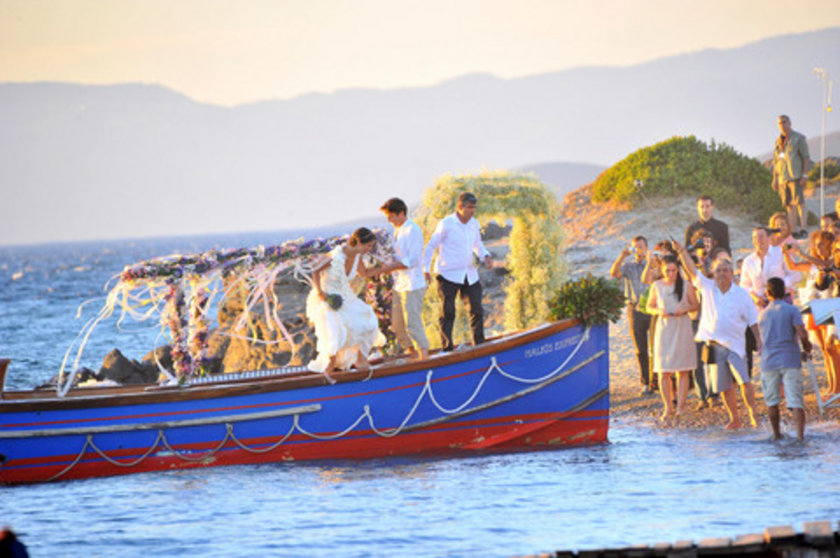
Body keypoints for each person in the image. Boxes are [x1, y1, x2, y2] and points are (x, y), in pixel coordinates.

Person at [677, 242, 762, 429]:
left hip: (735, 345)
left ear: (732, 274)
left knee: (744, 381)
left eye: (725, 270)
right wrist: (682, 251)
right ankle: (734, 418)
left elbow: (753, 320)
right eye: (718, 271)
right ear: (713, 273)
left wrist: (759, 341)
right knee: (724, 386)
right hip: (713, 345)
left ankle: (753, 415)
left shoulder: (741, 294)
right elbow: (692, 270)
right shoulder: (707, 287)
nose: (722, 274)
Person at [306, 227, 384, 379]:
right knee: (336, 327)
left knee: (368, 318)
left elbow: (364, 273)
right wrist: (321, 292)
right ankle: (330, 364)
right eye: (368, 245)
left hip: (346, 295)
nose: (369, 249)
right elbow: (315, 270)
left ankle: (361, 360)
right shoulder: (336, 255)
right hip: (328, 294)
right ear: (359, 242)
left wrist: (385, 268)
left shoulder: (358, 257)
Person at [423, 192, 492, 351]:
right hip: (448, 274)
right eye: (470, 207)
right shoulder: (446, 224)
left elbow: (478, 244)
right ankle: (447, 348)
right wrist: (426, 270)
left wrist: (486, 256)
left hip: (469, 274)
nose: (472, 211)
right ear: (460, 207)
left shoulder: (474, 223)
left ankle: (479, 345)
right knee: (448, 313)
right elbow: (431, 246)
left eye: (474, 208)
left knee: (476, 310)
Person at [646, 255, 699, 420]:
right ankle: (668, 407)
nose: (670, 274)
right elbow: (648, 306)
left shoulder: (685, 284)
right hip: (664, 327)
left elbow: (696, 305)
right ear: (662, 271)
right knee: (664, 370)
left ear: (678, 270)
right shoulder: (657, 286)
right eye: (667, 271)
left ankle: (681, 407)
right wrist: (658, 311)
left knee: (683, 369)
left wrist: (684, 309)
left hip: (682, 325)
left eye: (673, 270)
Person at [758, 277, 812, 440]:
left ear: (767, 293)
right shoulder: (792, 310)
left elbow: (765, 340)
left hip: (769, 361)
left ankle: (776, 435)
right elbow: (802, 333)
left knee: (772, 402)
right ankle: (800, 437)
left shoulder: (762, 314)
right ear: (784, 292)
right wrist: (806, 348)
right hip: (790, 360)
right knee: (796, 401)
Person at [378, 197, 430, 360]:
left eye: (391, 216)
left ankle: (424, 358)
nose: (389, 220)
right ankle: (412, 355)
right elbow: (397, 256)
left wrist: (390, 267)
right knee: (397, 325)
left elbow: (413, 260)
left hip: (412, 284)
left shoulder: (412, 230)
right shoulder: (397, 231)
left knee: (413, 323)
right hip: (399, 284)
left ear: (401, 213)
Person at [610, 236, 653, 395]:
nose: (638, 250)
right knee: (640, 348)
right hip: (635, 309)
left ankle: (656, 381)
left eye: (641, 247)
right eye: (635, 247)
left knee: (656, 347)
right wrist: (622, 256)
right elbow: (614, 274)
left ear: (646, 247)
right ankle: (645, 383)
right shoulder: (629, 266)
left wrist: (650, 260)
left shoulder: (653, 263)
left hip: (652, 308)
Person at [772, 114, 811, 236]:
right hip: (783, 178)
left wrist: (804, 175)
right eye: (780, 123)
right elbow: (776, 161)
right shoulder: (778, 142)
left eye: (784, 122)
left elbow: (805, 157)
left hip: (795, 175)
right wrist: (775, 178)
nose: (782, 125)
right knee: (788, 205)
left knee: (800, 202)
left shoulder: (798, 138)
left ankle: (803, 229)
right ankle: (793, 231)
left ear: (789, 123)